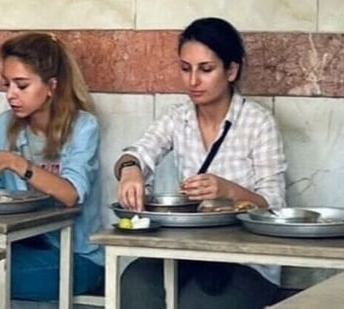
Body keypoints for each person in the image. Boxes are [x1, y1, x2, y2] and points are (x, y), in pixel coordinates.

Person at [114, 17, 287, 309]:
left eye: (206, 70)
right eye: (185, 69)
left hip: (246, 260)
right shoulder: (177, 118)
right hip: (187, 251)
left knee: (197, 302)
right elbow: (140, 151)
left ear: (231, 70)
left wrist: (229, 190)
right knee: (136, 281)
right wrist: (130, 169)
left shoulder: (258, 123)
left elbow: (275, 207)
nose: (193, 81)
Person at [0, 32, 103, 308]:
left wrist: (14, 161)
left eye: (21, 85)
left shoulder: (83, 126)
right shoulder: (4, 125)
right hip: (18, 245)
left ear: (52, 86)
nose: (11, 94)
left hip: (75, 256)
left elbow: (71, 194)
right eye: (6, 84)